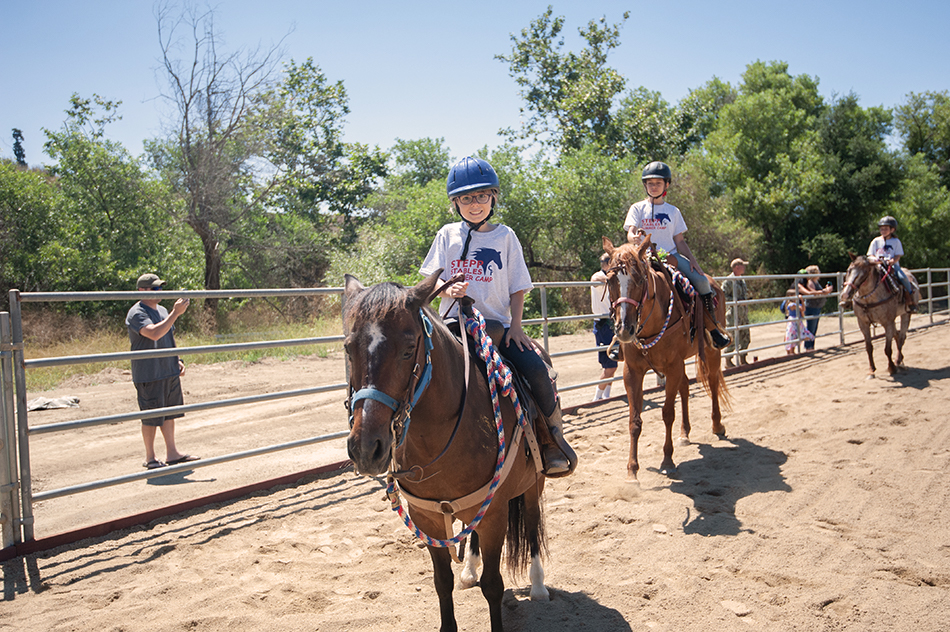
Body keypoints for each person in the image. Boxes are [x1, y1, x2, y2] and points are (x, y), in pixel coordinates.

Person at [420, 156, 577, 477]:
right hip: (452, 328)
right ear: (455, 203)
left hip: (497, 328)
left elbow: (519, 288)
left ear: (493, 197)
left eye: (481, 196)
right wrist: (447, 289)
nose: (474, 204)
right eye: (466, 198)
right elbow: (430, 279)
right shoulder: (447, 235)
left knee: (537, 370)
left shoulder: (505, 237)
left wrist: (516, 327)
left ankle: (552, 439)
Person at [623, 161, 731, 349]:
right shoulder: (637, 208)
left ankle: (712, 329)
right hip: (642, 258)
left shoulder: (673, 211)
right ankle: (619, 339)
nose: (653, 186)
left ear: (667, 185)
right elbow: (630, 232)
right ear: (645, 186)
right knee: (621, 286)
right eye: (650, 183)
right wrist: (634, 238)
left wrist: (693, 262)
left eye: (657, 183)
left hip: (669, 256)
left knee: (702, 282)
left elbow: (680, 241)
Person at [126, 273, 200, 470]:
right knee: (151, 416)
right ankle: (150, 457)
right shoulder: (136, 313)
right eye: (155, 288)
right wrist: (176, 313)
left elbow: (167, 336)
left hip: (168, 370)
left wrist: (177, 359)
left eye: (160, 288)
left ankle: (172, 453)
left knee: (169, 413)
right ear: (142, 291)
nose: (160, 291)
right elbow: (154, 333)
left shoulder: (163, 310)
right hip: (149, 373)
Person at [867, 215, 917, 312]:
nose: (883, 231)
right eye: (881, 229)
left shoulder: (896, 241)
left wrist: (893, 261)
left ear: (892, 229)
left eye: (886, 229)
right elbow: (870, 254)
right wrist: (876, 260)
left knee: (903, 278)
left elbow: (898, 255)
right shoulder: (875, 241)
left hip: (892, 266)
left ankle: (910, 299)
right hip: (878, 266)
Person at [590, 253, 618, 401]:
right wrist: (609, 278)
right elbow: (594, 279)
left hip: (611, 322)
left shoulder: (610, 279)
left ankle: (606, 395)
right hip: (603, 324)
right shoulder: (599, 276)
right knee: (609, 365)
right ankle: (597, 396)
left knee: (613, 363)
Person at [795, 265, 833, 352]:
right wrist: (825, 291)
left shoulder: (815, 282)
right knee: (811, 327)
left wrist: (826, 290)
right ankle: (808, 347)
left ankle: (811, 346)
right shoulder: (810, 282)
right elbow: (813, 293)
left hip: (817, 306)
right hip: (812, 306)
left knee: (814, 327)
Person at [721, 258, 751, 367]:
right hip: (733, 314)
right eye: (743, 265)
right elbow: (723, 296)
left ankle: (743, 358)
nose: (744, 268)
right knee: (732, 338)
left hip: (743, 313)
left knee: (745, 337)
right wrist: (736, 302)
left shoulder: (741, 280)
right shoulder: (728, 280)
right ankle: (728, 360)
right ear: (737, 267)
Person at [781, 289, 813, 355]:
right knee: (791, 335)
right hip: (792, 322)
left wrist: (802, 301)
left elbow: (803, 309)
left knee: (796, 335)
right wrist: (800, 301)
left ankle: (792, 351)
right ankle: (790, 352)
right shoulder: (791, 304)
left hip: (797, 321)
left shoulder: (796, 303)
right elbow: (801, 309)